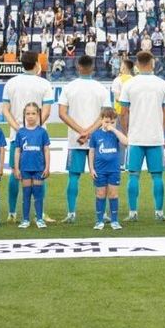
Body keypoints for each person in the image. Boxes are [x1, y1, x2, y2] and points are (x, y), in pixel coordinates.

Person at [119, 50, 165, 222]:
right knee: (157, 176)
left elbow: (123, 112)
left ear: (136, 64)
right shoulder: (162, 84)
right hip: (155, 137)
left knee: (133, 175)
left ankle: (133, 213)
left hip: (135, 137)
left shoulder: (129, 84)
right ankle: (159, 212)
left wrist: (126, 132)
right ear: (152, 62)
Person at [57, 55, 111, 224]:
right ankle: (102, 213)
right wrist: (89, 132)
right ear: (93, 68)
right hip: (98, 139)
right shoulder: (101, 88)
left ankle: (71, 213)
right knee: (100, 176)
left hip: (76, 139)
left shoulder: (69, 87)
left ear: (78, 66)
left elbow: (62, 113)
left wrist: (82, 131)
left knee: (74, 176)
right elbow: (106, 116)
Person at [2, 51, 54, 223]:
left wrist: (19, 129)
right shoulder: (44, 84)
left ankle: (12, 212)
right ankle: (41, 213)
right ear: (37, 63)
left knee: (15, 173)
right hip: (39, 136)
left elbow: (5, 110)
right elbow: (46, 111)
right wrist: (35, 128)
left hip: (17, 135)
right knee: (40, 173)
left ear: (21, 63)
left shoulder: (11, 83)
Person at [89, 107, 129, 230]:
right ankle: (99, 221)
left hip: (114, 170)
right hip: (100, 170)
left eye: (112, 122)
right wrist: (91, 168)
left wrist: (114, 129)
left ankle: (114, 221)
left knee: (113, 194)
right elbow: (92, 152)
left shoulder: (115, 134)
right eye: (106, 121)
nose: (109, 124)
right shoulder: (95, 135)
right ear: (101, 120)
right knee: (100, 194)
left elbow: (126, 142)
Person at [13, 103, 50, 229]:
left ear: (38, 114)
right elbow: (17, 151)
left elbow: (46, 150)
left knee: (38, 194)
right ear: (24, 115)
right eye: (28, 113)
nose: (30, 116)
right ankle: (25, 220)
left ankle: (39, 219)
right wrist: (17, 168)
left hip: (38, 168)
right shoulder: (20, 132)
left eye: (33, 113)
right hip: (25, 168)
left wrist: (47, 167)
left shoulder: (42, 132)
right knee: (26, 194)